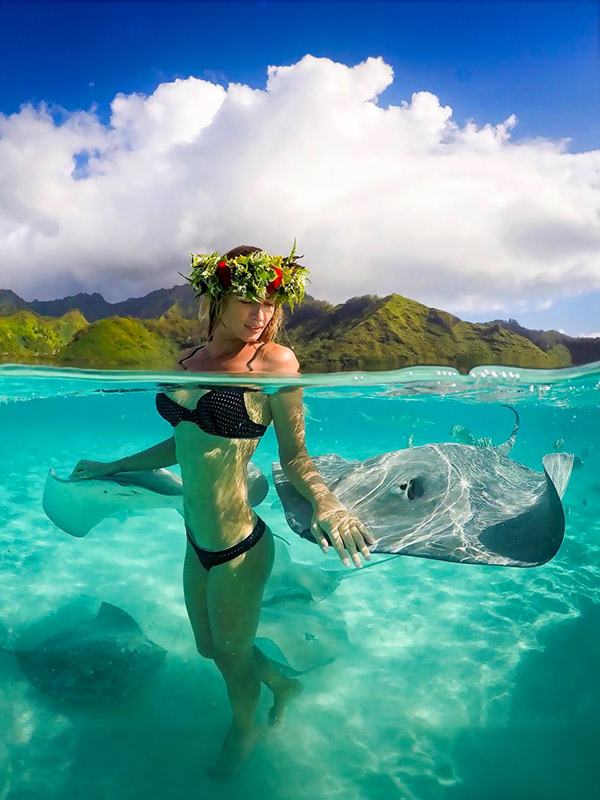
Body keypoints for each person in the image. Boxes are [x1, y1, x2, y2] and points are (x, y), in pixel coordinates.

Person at [69, 243, 375, 782]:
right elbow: (182, 444)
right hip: (196, 542)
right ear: (217, 295)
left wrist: (328, 503)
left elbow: (295, 455)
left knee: (232, 660)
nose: (262, 315)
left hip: (239, 549)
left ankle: (246, 726)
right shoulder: (186, 361)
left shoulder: (275, 363)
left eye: (271, 302)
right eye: (249, 301)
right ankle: (283, 682)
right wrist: (110, 466)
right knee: (209, 646)